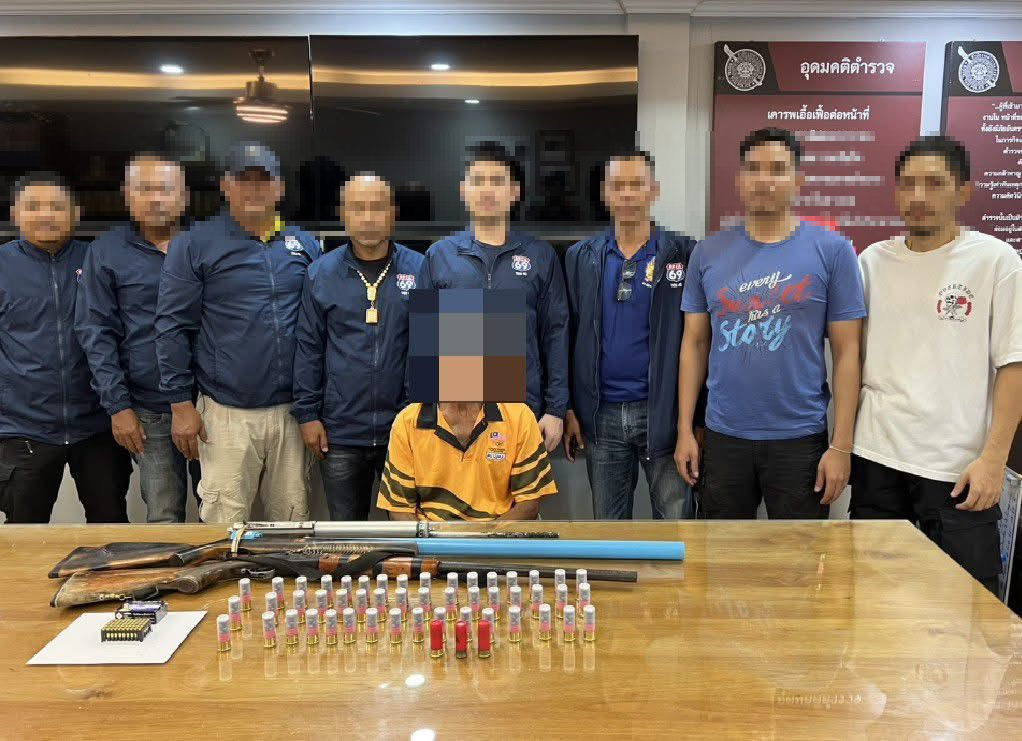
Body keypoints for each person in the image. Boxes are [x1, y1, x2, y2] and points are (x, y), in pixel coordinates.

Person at [852, 136, 1022, 593]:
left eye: (934, 183)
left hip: (957, 471)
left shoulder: (996, 261)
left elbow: (1015, 365)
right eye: (908, 184)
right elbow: (851, 358)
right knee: (873, 603)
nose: (919, 196)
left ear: (963, 191)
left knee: (967, 610)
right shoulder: (871, 263)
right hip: (876, 460)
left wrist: (993, 460)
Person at [676, 127, 866, 519]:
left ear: (798, 179)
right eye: (754, 169)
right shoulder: (707, 253)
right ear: (739, 179)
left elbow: (848, 352)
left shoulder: (833, 251)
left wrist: (842, 446)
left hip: (800, 438)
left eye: (777, 169)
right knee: (724, 552)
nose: (765, 180)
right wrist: (684, 430)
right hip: (723, 435)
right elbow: (694, 344)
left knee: (799, 553)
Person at [155, 143, 321, 523]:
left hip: (291, 413)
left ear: (280, 188)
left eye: (264, 181)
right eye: (244, 181)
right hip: (226, 412)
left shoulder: (303, 244)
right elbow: (171, 326)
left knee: (291, 521)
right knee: (223, 524)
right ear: (226, 186)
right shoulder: (195, 243)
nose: (254, 190)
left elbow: (318, 328)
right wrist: (180, 406)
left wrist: (314, 407)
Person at [564, 150, 700, 519]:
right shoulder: (581, 257)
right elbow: (567, 334)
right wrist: (568, 406)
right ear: (605, 193)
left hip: (663, 414)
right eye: (617, 185)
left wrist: (693, 422)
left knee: (676, 527)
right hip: (601, 415)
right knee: (610, 530)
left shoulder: (683, 253)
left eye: (636, 184)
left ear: (653, 190)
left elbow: (700, 341)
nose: (626, 194)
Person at [417, 144, 569, 452]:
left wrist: (556, 409)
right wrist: (426, 412)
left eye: (497, 181)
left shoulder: (540, 256)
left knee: (523, 487)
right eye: (478, 181)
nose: (487, 190)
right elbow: (423, 344)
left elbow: (556, 335)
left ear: (515, 192)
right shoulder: (440, 256)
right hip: (455, 419)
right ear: (464, 190)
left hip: (522, 412)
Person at [0, 172, 132, 523]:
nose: (46, 215)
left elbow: (120, 336)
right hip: (24, 431)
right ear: (15, 213)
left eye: (56, 206)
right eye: (34, 207)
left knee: (111, 527)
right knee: (24, 534)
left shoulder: (98, 261)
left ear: (76, 212)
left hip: (98, 426)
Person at [293, 173, 423, 520]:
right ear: (343, 214)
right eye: (357, 208)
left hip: (405, 429)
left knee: (409, 533)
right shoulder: (320, 274)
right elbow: (309, 348)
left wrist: (421, 415)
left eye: (377, 208)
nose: (368, 218)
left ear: (393, 213)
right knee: (347, 537)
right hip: (340, 433)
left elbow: (432, 349)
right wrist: (307, 415)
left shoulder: (421, 269)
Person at [75, 152, 195, 522]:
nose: (155, 198)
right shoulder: (106, 251)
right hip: (147, 408)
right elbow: (95, 332)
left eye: (165, 189)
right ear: (127, 195)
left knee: (222, 510)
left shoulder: (206, 245)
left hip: (211, 407)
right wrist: (118, 407)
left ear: (184, 196)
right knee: (163, 514)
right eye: (144, 189)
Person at [377, 401, 557, 521]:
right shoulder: (407, 421)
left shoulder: (519, 416)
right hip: (431, 543)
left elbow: (528, 505)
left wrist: (485, 544)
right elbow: (400, 510)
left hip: (499, 540)